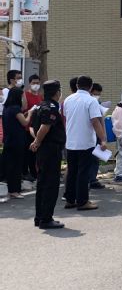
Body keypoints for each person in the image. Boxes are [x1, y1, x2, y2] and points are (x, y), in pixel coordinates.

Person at [62, 76, 107, 211]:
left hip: (71, 141)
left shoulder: (68, 100)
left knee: (72, 171)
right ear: (91, 87)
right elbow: (95, 122)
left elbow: (66, 118)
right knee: (83, 172)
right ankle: (82, 201)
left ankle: (70, 199)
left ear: (77, 85)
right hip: (85, 142)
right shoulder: (91, 101)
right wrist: (103, 139)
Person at [29, 80, 66, 229]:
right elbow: (45, 127)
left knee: (42, 183)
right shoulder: (50, 107)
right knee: (51, 184)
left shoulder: (39, 106)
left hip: (44, 150)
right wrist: (37, 141)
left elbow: (32, 127)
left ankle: (39, 217)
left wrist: (37, 141)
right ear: (57, 92)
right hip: (50, 150)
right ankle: (46, 219)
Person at [2, 87, 35, 199]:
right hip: (16, 141)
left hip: (9, 140)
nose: (23, 99)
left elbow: (16, 121)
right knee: (16, 166)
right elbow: (25, 123)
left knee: (11, 165)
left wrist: (24, 114)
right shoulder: (16, 109)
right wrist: (30, 113)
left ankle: (13, 189)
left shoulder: (7, 108)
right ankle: (14, 190)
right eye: (22, 96)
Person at [22, 74, 42, 182]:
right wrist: (30, 112)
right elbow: (22, 111)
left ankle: (34, 173)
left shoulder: (40, 96)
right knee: (27, 152)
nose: (36, 85)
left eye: (37, 83)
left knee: (35, 152)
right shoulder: (25, 95)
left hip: (36, 128)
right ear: (29, 83)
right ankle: (26, 172)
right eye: (34, 83)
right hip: (27, 128)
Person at [88, 83, 108, 189]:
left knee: (95, 157)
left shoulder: (98, 103)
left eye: (99, 94)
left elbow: (101, 120)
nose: (97, 96)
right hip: (88, 134)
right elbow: (96, 121)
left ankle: (92, 179)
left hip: (97, 134)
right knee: (88, 158)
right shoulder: (88, 102)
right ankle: (89, 179)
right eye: (95, 94)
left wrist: (103, 136)